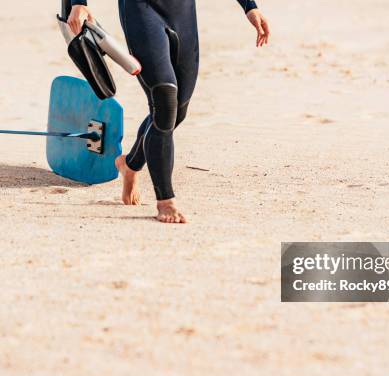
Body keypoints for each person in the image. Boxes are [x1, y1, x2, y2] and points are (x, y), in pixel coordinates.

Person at [68, 0, 270, 223]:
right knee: (164, 102)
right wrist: (78, 3)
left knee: (178, 110)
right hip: (140, 11)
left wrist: (250, 7)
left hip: (182, 14)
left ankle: (130, 164)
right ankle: (165, 200)